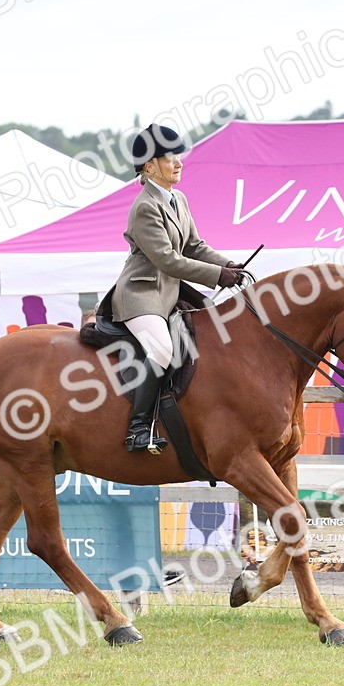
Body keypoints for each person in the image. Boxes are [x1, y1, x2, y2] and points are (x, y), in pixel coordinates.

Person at [111, 124, 248, 453]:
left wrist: (227, 266)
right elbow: (168, 260)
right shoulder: (145, 207)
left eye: (178, 156)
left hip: (169, 297)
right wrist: (216, 276)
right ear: (149, 167)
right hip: (141, 297)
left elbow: (195, 246)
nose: (178, 162)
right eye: (170, 157)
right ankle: (138, 429)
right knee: (161, 349)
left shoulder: (178, 199)